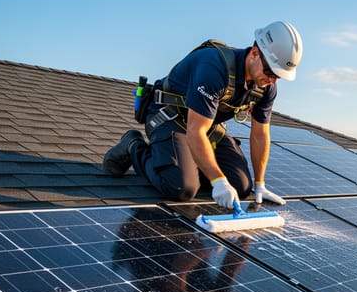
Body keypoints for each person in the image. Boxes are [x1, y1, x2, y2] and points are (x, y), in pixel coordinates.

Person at [103, 21, 303, 209]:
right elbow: (195, 131)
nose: (272, 80)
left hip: (207, 125)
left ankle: (190, 163)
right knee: (181, 188)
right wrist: (218, 180)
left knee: (241, 187)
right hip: (171, 118)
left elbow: (260, 135)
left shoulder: (266, 87)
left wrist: (260, 184)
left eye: (278, 76)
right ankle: (133, 145)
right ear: (255, 53)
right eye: (270, 72)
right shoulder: (215, 67)